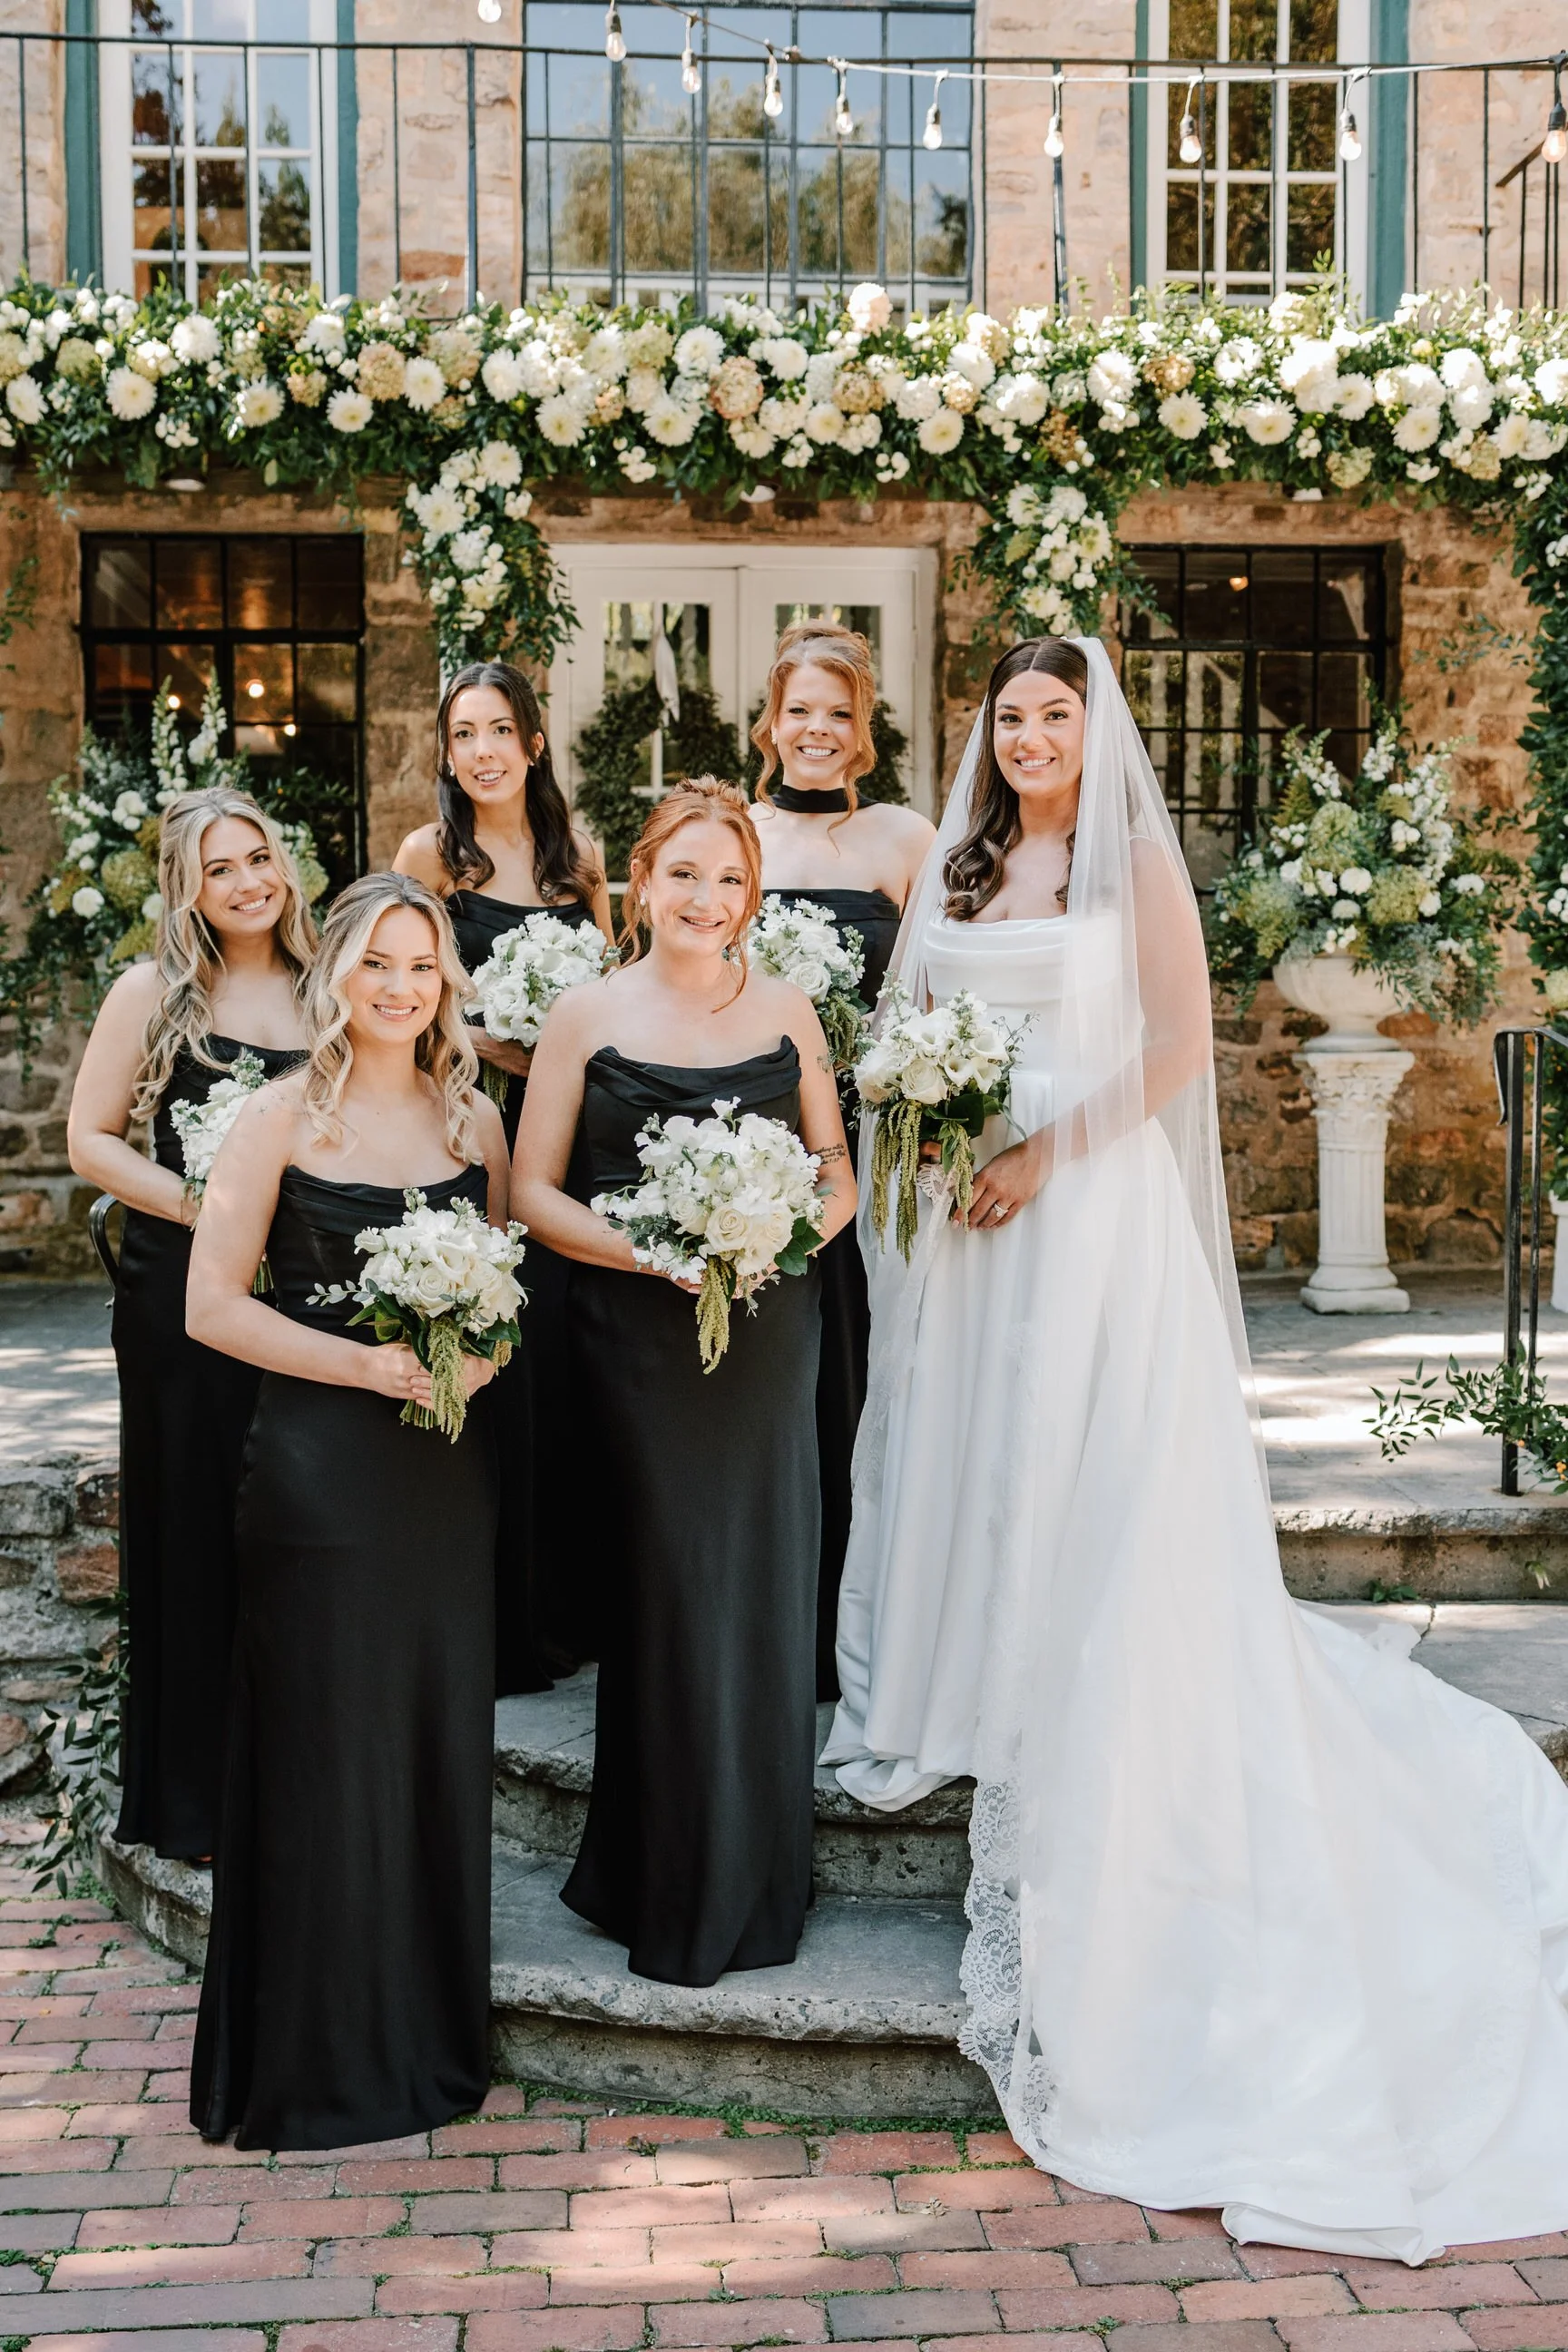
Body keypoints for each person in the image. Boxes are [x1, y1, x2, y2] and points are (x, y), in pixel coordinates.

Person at [823, 635, 1568, 2262]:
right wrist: (934, 1130)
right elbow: (904, 1032)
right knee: (958, 1457)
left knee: (1072, 1468)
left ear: (1095, 730)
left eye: (1053, 714)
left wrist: (1035, 1147)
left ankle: (1052, 1684)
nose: (1028, 736)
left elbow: (1167, 1053)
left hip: (1084, 1212)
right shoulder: (954, 865)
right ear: (986, 736)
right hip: (965, 1217)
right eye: (1008, 717)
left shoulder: (1133, 861)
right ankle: (941, 1685)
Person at [514, 778, 855, 1987]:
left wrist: (777, 1239)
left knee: (759, 1591)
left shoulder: (793, 1008)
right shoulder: (583, 1012)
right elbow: (530, 1194)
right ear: (643, 881)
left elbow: (837, 1177)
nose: (707, 899)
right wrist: (656, 1250)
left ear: (752, 891)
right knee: (666, 1595)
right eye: (685, 874)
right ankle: (655, 1876)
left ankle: (755, 1876)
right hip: (637, 1344)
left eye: (730, 878)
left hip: (770, 1333)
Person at [186, 872, 508, 2151]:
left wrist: (482, 1354)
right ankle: (316, 2061)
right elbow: (211, 1306)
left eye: (422, 966)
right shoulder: (274, 1119)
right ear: (337, 974)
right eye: (378, 961)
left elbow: (496, 1294)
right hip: (319, 1473)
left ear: (444, 983)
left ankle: (423, 2041)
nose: (400, 985)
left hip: (442, 1479)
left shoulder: (471, 1122)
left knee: (428, 1749)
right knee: (326, 1753)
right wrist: (364, 1366)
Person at [66, 787, 315, 1864]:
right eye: (221, 869)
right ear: (188, 888)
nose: (248, 882)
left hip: (300, 1291)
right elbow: (90, 1142)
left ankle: (297, 1776)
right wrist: (209, 1209)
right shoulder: (149, 991)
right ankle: (195, 1801)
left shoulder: (327, 988)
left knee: (295, 1519)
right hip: (180, 1294)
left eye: (258, 858)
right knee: (192, 1523)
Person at [396, 661, 614, 1695]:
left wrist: (568, 1050)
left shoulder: (583, 860)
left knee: (573, 1358)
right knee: (499, 1357)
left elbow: (615, 992)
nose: (479, 751)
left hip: (574, 1136)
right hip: (478, 1123)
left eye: (497, 731)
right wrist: (499, 1036)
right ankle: (496, 1620)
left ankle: (576, 1603)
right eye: (461, 735)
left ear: (533, 741)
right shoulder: (430, 858)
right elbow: (399, 993)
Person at [750, 622, 935, 1697]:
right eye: (799, 710)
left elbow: (930, 999)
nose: (816, 730)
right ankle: (776, 1608)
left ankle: (866, 1620)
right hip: (758, 1150)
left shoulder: (906, 841)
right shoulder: (735, 833)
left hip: (873, 1141)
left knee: (869, 1374)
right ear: (770, 723)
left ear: (864, 733)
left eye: (839, 713)